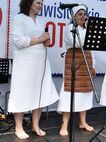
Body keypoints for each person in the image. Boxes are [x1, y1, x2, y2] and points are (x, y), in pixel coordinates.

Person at [8, 0, 59, 139]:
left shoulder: (41, 20)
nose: (41, 5)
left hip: (40, 63)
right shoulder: (20, 18)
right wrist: (39, 39)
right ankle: (19, 127)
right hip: (24, 64)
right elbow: (19, 41)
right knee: (21, 93)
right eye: (38, 2)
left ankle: (35, 125)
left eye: (42, 3)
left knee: (39, 92)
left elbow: (40, 39)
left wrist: (45, 41)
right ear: (29, 3)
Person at [57, 5, 95, 136]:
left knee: (84, 93)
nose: (83, 16)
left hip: (86, 62)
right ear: (73, 16)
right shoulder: (69, 28)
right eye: (80, 14)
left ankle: (83, 121)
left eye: (85, 14)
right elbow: (79, 43)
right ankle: (64, 124)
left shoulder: (87, 29)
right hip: (74, 61)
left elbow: (90, 48)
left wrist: (93, 65)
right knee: (70, 92)